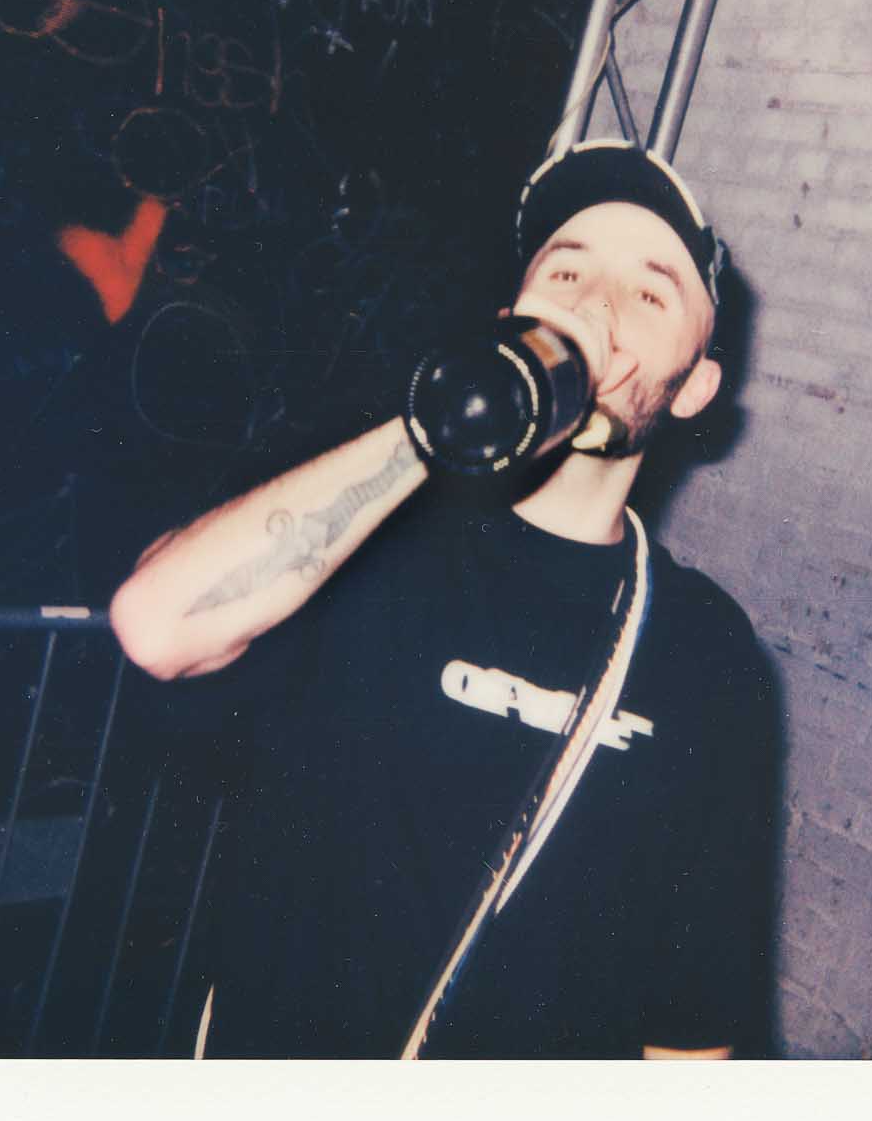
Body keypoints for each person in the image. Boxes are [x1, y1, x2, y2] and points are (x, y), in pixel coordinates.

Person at [110, 141, 780, 1059]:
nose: (595, 306)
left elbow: (690, 1035)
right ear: (512, 317)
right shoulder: (370, 531)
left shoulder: (706, 652)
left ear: (696, 385)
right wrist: (461, 414)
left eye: (650, 294)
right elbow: (155, 627)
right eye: (567, 271)